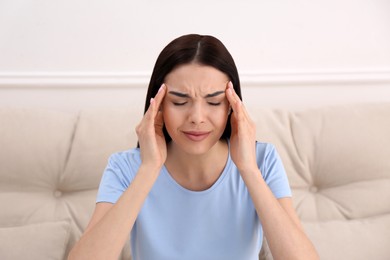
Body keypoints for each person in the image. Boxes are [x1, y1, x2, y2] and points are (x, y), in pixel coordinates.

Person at [68, 34, 319, 260]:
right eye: (179, 102)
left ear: (231, 106)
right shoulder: (126, 167)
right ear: (158, 106)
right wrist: (148, 170)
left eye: (214, 102)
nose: (197, 117)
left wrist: (249, 170)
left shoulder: (262, 161)